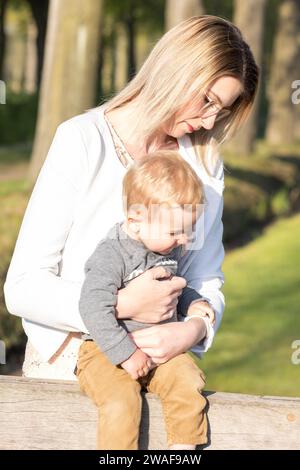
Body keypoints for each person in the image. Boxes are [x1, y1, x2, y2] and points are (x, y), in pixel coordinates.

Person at [4, 16, 258, 388]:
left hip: (156, 371)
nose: (208, 121)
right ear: (176, 70)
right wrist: (120, 306)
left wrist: (193, 330)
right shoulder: (82, 139)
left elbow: (205, 279)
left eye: (220, 111)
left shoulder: (204, 166)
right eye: (207, 100)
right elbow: (23, 286)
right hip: (66, 370)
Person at [77, 151, 215, 450]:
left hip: (156, 354)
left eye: (188, 230)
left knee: (188, 379)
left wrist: (193, 304)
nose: (184, 240)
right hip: (105, 349)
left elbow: (175, 289)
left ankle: (182, 449)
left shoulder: (167, 249)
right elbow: (91, 305)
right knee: (121, 401)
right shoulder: (112, 253)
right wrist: (126, 354)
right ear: (136, 220)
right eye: (175, 231)